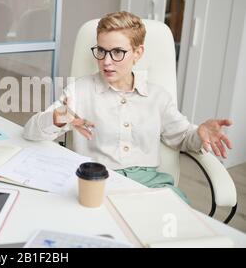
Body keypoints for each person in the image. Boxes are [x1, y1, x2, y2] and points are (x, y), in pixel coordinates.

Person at [23, 11, 233, 203]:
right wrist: (57, 118)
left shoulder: (158, 97)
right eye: (101, 51)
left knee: (176, 223)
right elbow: (30, 131)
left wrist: (199, 133)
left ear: (138, 52)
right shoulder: (79, 91)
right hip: (97, 182)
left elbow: (184, 137)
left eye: (117, 52)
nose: (106, 61)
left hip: (150, 184)